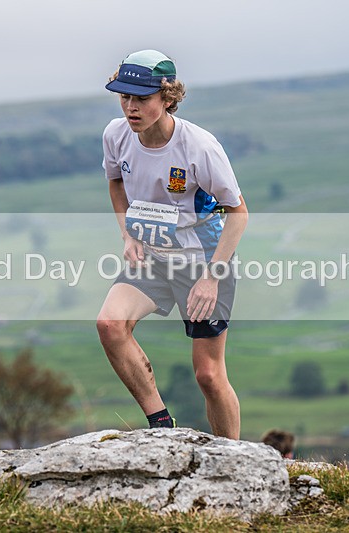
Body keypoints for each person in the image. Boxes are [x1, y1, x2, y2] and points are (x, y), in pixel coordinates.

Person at [96, 50, 248, 439]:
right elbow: (115, 182)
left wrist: (211, 278)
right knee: (111, 324)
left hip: (203, 260)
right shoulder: (116, 135)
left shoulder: (199, 147)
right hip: (151, 254)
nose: (131, 107)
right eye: (124, 96)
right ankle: (161, 427)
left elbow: (238, 212)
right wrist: (127, 233)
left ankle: (233, 460)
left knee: (209, 376)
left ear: (167, 98)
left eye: (141, 98)